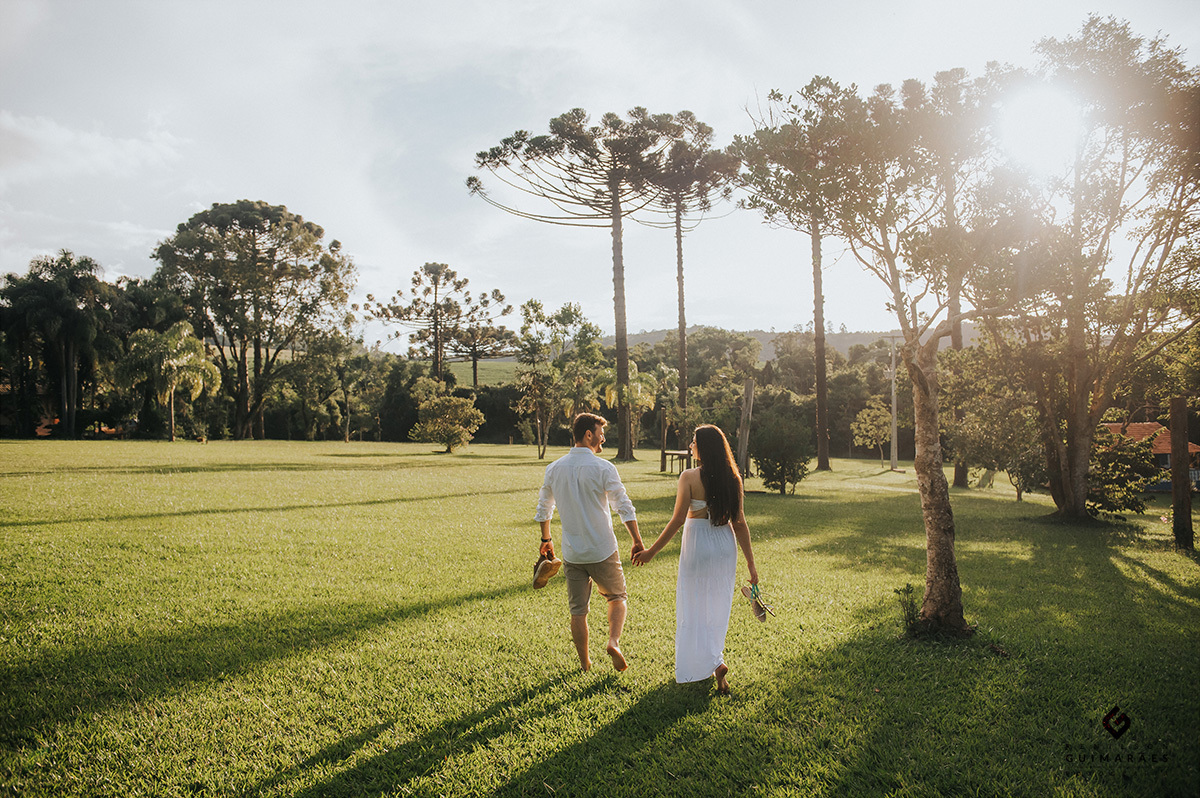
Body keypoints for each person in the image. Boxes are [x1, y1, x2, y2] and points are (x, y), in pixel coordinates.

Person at [632, 424, 758, 694]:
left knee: (694, 605)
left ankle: (714, 661)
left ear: (704, 447)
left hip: (699, 544)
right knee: (717, 606)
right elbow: (740, 523)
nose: (690, 445)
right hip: (725, 546)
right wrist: (751, 564)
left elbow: (678, 519)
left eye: (694, 441)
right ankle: (716, 662)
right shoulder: (734, 478)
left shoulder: (689, 476)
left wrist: (651, 552)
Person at [535, 412, 645, 672]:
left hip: (573, 553)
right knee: (617, 597)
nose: (603, 438)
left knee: (578, 611)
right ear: (588, 435)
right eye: (600, 433)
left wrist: (546, 539)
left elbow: (543, 509)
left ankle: (585, 664)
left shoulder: (554, 468)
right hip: (603, 550)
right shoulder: (603, 468)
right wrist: (637, 540)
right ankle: (613, 642)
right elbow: (624, 507)